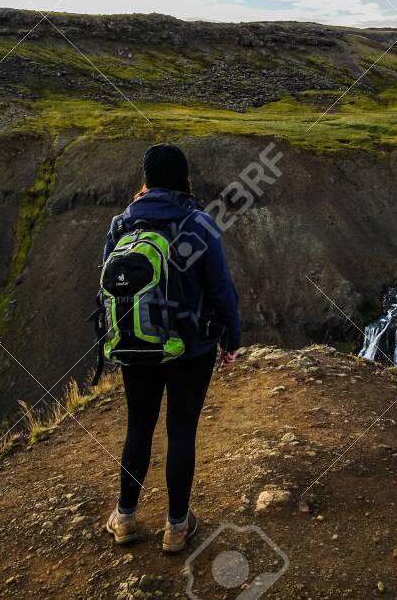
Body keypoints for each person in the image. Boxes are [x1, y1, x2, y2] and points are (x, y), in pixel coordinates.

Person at [101, 143, 240, 553]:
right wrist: (231, 338)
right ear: (184, 178)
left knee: (138, 427)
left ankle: (125, 517)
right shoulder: (197, 224)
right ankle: (177, 527)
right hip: (190, 347)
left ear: (146, 181)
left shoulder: (120, 225)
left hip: (136, 343)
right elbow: (221, 289)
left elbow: (110, 285)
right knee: (181, 430)